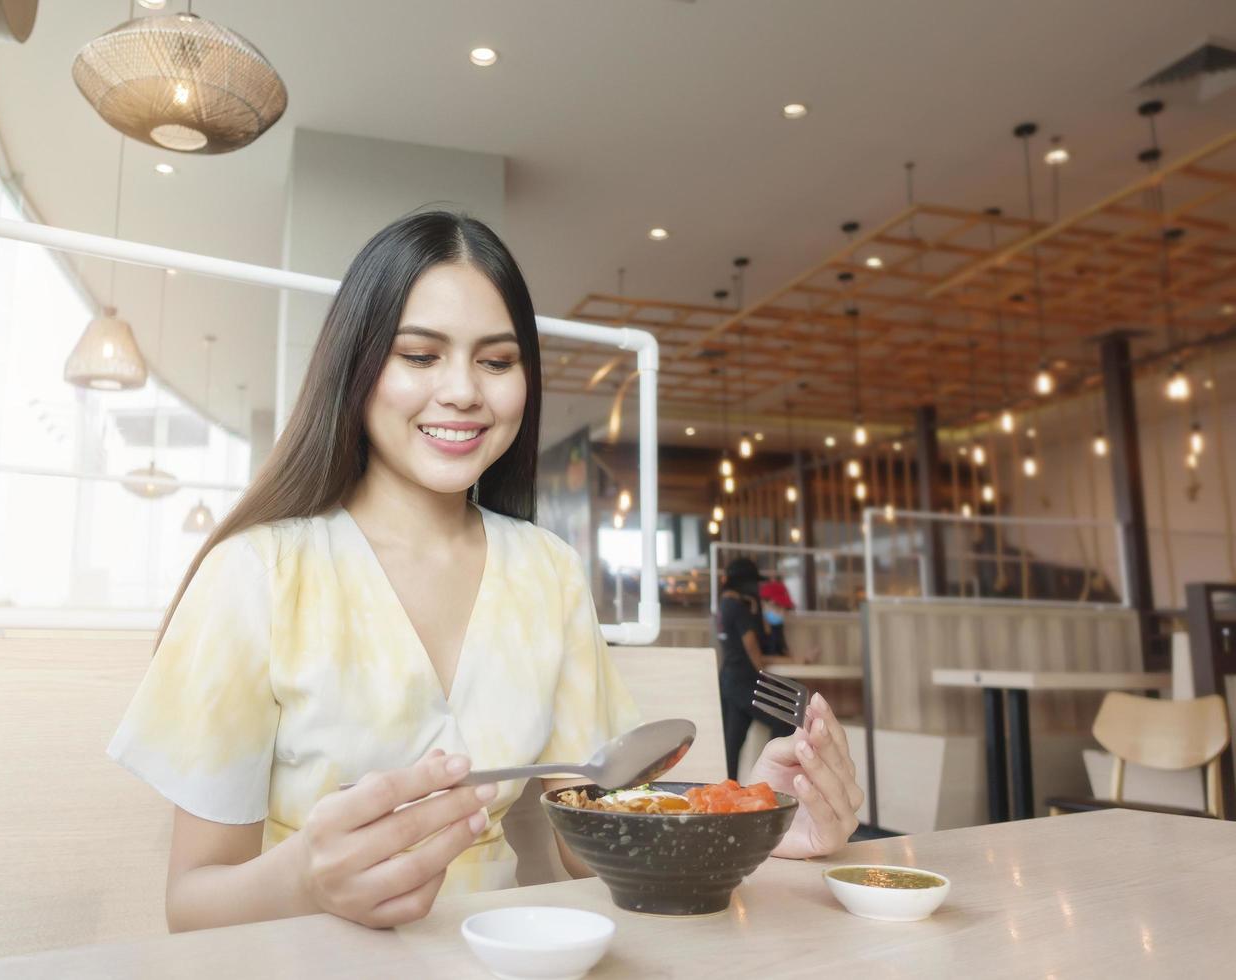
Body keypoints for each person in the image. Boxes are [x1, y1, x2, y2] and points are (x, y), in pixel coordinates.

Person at [108, 211, 863, 933]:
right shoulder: (258, 572)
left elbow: (587, 846)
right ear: (358, 364)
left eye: (496, 361)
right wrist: (307, 880)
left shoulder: (547, 573)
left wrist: (750, 815)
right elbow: (192, 905)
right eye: (419, 355)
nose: (464, 390)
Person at [717, 559, 814, 780]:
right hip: (745, 680)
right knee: (785, 719)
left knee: (732, 743)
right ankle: (773, 780)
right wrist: (766, 677)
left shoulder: (724, 607)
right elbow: (752, 647)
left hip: (728, 680)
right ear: (745, 583)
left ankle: (728, 790)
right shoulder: (739, 609)